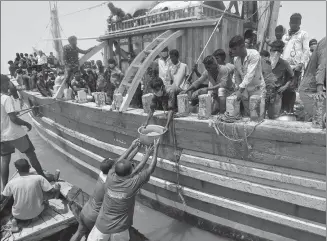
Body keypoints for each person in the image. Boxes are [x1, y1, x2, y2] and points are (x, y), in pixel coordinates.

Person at [87, 138, 160, 241]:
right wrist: (154, 150)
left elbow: (120, 161)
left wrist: (133, 147)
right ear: (130, 172)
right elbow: (150, 169)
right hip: (120, 229)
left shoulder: (110, 177)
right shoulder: (131, 185)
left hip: (101, 226)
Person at [1, 75, 53, 189]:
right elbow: (13, 119)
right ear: (3, 84)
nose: (9, 85)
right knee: (31, 154)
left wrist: (13, 113)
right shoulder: (6, 98)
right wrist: (26, 123)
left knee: (5, 160)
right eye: (7, 83)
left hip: (2, 136)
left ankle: (4, 187)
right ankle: (42, 177)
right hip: (15, 133)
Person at [0, 159, 59, 231]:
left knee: (11, 205)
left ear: (17, 170)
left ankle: (14, 222)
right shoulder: (39, 178)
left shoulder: (12, 182)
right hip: (37, 213)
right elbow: (52, 192)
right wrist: (57, 189)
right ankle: (35, 216)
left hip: (18, 215)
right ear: (29, 167)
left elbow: (2, 198)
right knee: (46, 202)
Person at [70, 158, 115, 241]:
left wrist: (133, 146)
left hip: (85, 211)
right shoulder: (110, 182)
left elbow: (118, 163)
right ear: (111, 170)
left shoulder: (102, 173)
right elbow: (127, 174)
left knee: (79, 233)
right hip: (93, 217)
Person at [229, 35, 266, 116]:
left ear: (242, 46)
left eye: (234, 49)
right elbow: (237, 75)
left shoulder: (254, 54)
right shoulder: (236, 59)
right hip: (244, 90)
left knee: (257, 116)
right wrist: (237, 88)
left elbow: (250, 74)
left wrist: (240, 90)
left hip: (257, 90)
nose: (232, 51)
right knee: (247, 115)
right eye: (231, 49)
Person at [282, 13, 310, 111]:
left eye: (296, 23)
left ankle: (289, 111)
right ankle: (282, 110)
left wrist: (301, 63)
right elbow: (282, 50)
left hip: (295, 67)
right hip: (284, 66)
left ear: (299, 23)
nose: (294, 24)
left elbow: (306, 50)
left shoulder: (303, 34)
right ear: (289, 23)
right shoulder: (285, 36)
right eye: (292, 22)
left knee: (291, 88)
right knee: (282, 88)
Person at [299, 37, 326, 122]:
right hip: (310, 90)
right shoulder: (325, 43)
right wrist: (319, 91)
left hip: (317, 89)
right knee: (319, 122)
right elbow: (322, 67)